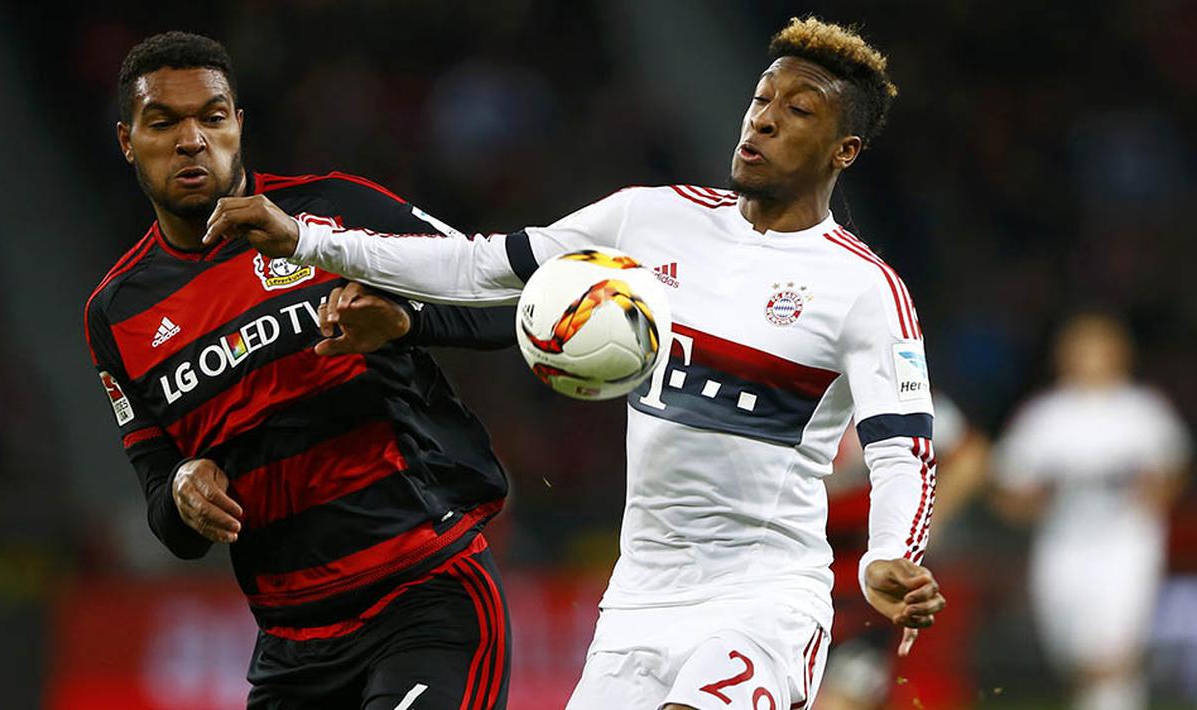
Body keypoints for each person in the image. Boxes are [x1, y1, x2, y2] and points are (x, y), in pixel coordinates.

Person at [204, 17, 948, 710]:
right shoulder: (647, 219)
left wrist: (888, 554)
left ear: (842, 150)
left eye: (798, 111)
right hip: (637, 600)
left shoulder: (862, 289)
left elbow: (903, 449)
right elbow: (475, 267)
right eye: (761, 98)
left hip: (764, 600)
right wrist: (303, 239)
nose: (762, 118)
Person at [83, 32, 517, 709]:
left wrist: (405, 321)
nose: (192, 139)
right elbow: (166, 515)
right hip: (292, 649)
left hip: (424, 596)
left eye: (213, 116)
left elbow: (507, 300)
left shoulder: (337, 214)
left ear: (239, 127)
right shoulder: (115, 315)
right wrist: (181, 490)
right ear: (127, 141)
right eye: (163, 121)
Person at [993, 314, 1191, 710]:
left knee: (1112, 653)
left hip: (1125, 544)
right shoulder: (1045, 416)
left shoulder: (1141, 411)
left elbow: (1173, 471)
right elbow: (1007, 489)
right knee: (1072, 655)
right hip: (1062, 544)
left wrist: (1154, 495)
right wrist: (1032, 504)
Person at [817, 393, 988, 710]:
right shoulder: (787, 386)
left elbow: (971, 454)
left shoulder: (891, 396)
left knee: (841, 697)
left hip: (865, 583)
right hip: (794, 571)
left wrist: (924, 524)